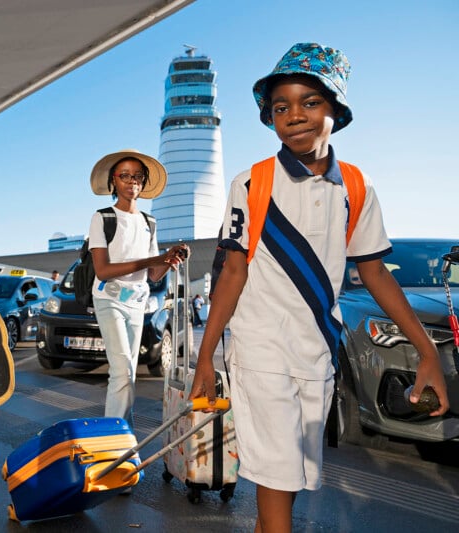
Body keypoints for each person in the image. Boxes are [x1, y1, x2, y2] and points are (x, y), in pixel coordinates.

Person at [190, 43, 449, 533]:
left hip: (317, 351)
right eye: (281, 107)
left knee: (290, 478)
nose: (294, 116)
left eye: (310, 102)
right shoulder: (252, 183)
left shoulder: (356, 186)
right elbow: (233, 272)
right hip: (259, 346)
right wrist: (207, 357)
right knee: (276, 474)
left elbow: (374, 274)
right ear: (269, 118)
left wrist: (426, 351)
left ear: (337, 111)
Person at [87, 149, 188, 425]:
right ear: (113, 181)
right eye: (125, 176)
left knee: (128, 373)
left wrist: (169, 258)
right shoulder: (102, 218)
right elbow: (103, 270)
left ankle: (122, 436)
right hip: (109, 299)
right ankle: (115, 441)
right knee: (121, 370)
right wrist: (155, 258)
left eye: (138, 176)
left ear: (143, 183)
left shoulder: (149, 222)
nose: (132, 181)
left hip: (136, 303)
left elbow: (154, 275)